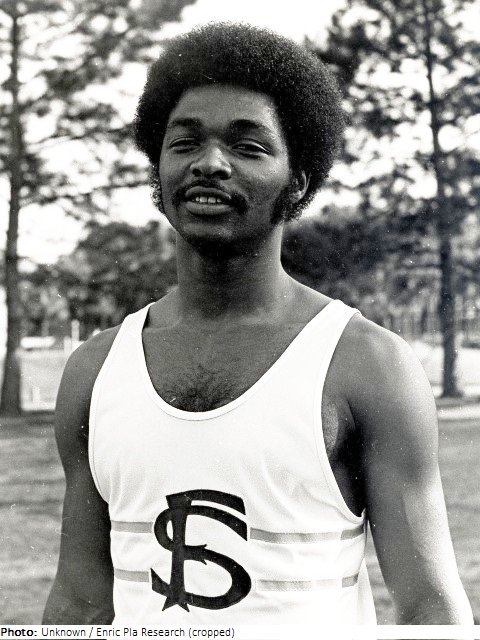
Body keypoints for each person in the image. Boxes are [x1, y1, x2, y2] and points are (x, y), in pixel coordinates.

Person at [43, 23, 473, 626]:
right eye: (184, 142)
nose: (209, 163)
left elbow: (429, 605)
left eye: (248, 146)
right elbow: (79, 602)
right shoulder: (95, 371)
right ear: (158, 170)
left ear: (297, 182)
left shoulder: (366, 364)